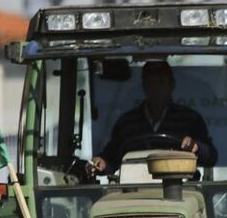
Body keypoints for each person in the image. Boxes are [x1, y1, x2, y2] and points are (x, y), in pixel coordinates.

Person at [88, 60, 217, 175]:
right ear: (144, 86)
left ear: (171, 85)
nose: (156, 88)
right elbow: (111, 158)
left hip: (180, 192)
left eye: (161, 82)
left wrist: (196, 147)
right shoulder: (127, 123)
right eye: (151, 82)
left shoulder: (190, 120)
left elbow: (211, 157)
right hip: (134, 194)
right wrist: (101, 163)